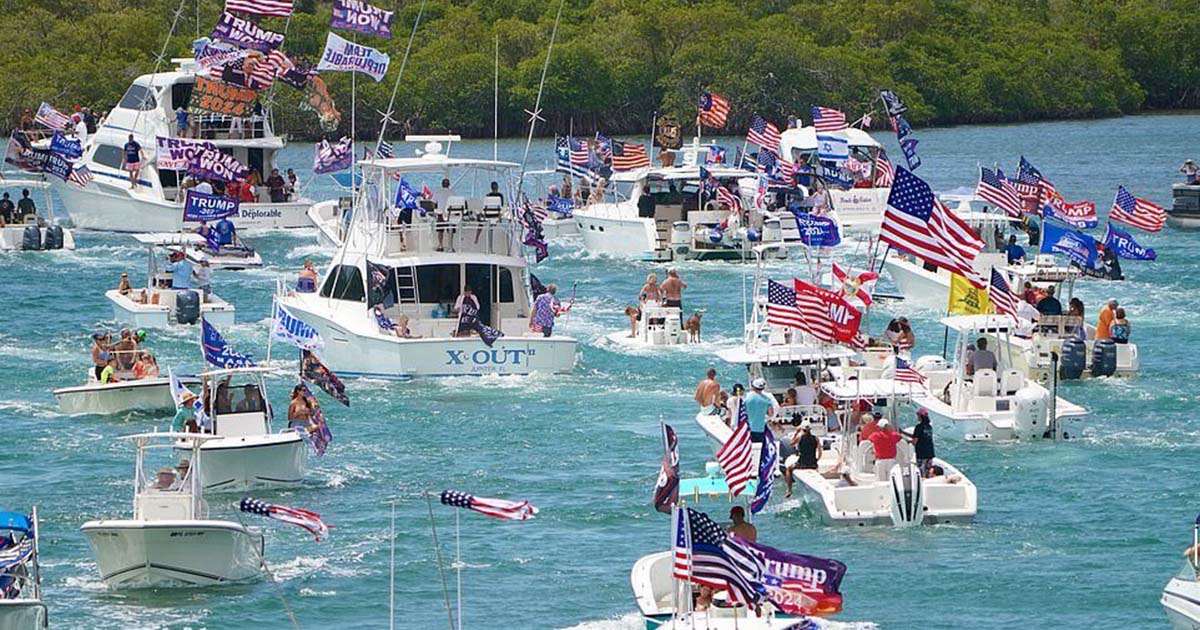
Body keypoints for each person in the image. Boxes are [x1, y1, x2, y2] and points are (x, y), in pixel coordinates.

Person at [784, 420, 821, 498]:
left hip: (802, 464)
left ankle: (789, 489)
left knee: (789, 468)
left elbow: (791, 443)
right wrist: (817, 460)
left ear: (802, 429)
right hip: (813, 464)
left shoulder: (799, 437)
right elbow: (820, 452)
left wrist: (796, 432)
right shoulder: (816, 438)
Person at [907, 409, 935, 477]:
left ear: (920, 416)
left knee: (921, 472)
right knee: (927, 471)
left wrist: (908, 442)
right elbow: (918, 436)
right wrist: (903, 432)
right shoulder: (929, 427)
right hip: (930, 452)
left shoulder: (918, 427)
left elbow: (914, 441)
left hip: (922, 453)